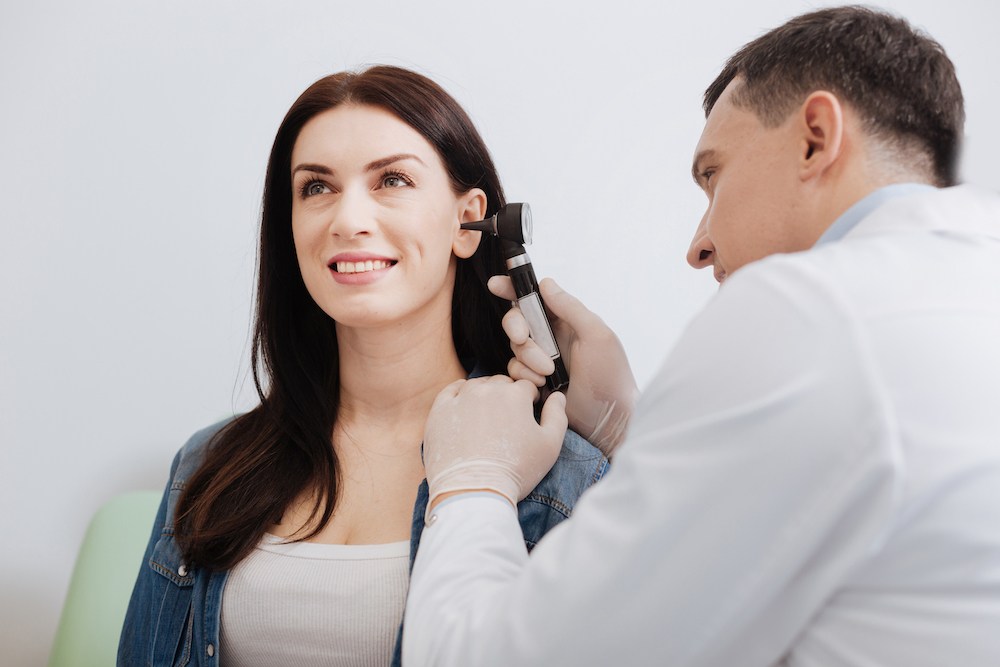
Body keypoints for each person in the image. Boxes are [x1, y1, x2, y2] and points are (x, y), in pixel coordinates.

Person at [403, 6, 1000, 666]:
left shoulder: (804, 313)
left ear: (815, 138)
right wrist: (626, 431)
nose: (698, 244)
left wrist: (469, 483)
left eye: (713, 175)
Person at [117, 65, 608, 667]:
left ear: (468, 221)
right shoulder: (208, 462)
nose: (347, 219)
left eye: (392, 179)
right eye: (316, 188)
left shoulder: (563, 477)